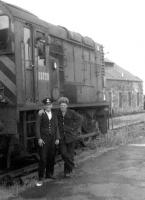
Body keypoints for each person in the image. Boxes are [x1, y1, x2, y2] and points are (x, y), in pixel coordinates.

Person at [36, 98, 60, 186]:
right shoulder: (41, 114)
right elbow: (37, 127)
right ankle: (40, 177)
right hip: (44, 139)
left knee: (51, 157)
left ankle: (49, 174)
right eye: (46, 105)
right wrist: (39, 138)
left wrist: (57, 138)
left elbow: (56, 127)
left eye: (49, 105)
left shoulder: (54, 114)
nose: (48, 106)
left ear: (51, 105)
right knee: (43, 158)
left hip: (53, 139)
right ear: (44, 106)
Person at [57, 97, 82, 178]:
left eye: (64, 105)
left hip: (71, 137)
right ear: (59, 106)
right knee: (64, 154)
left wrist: (73, 128)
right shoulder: (57, 113)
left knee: (70, 154)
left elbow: (80, 119)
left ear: (66, 106)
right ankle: (72, 165)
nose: (62, 107)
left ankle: (67, 172)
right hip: (61, 137)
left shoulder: (72, 112)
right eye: (61, 106)